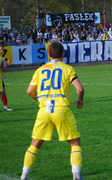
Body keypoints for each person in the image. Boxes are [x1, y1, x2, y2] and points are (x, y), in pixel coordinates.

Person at [20, 42, 84, 180]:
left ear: (48, 54)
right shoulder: (67, 69)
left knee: (35, 143)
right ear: (63, 54)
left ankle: (24, 175)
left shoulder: (40, 70)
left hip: (44, 110)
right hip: (61, 109)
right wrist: (80, 99)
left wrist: (40, 100)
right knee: (74, 143)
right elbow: (80, 89)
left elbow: (29, 91)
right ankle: (76, 176)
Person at [0, 44, 13, 111]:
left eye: (2, 49)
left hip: (0, 79)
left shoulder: (1, 58)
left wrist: (7, 63)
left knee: (3, 92)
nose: (2, 51)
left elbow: (3, 69)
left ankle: (5, 107)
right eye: (0, 49)